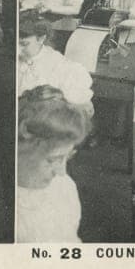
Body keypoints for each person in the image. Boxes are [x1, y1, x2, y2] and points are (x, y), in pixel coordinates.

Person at [16, 84, 91, 243]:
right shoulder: (10, 208)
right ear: (19, 148)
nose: (61, 172)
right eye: (53, 160)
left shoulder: (63, 187)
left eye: (67, 157)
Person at [16, 12, 94, 117]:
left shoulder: (61, 67)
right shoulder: (14, 59)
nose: (17, 51)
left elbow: (84, 111)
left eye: (23, 44)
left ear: (41, 39)